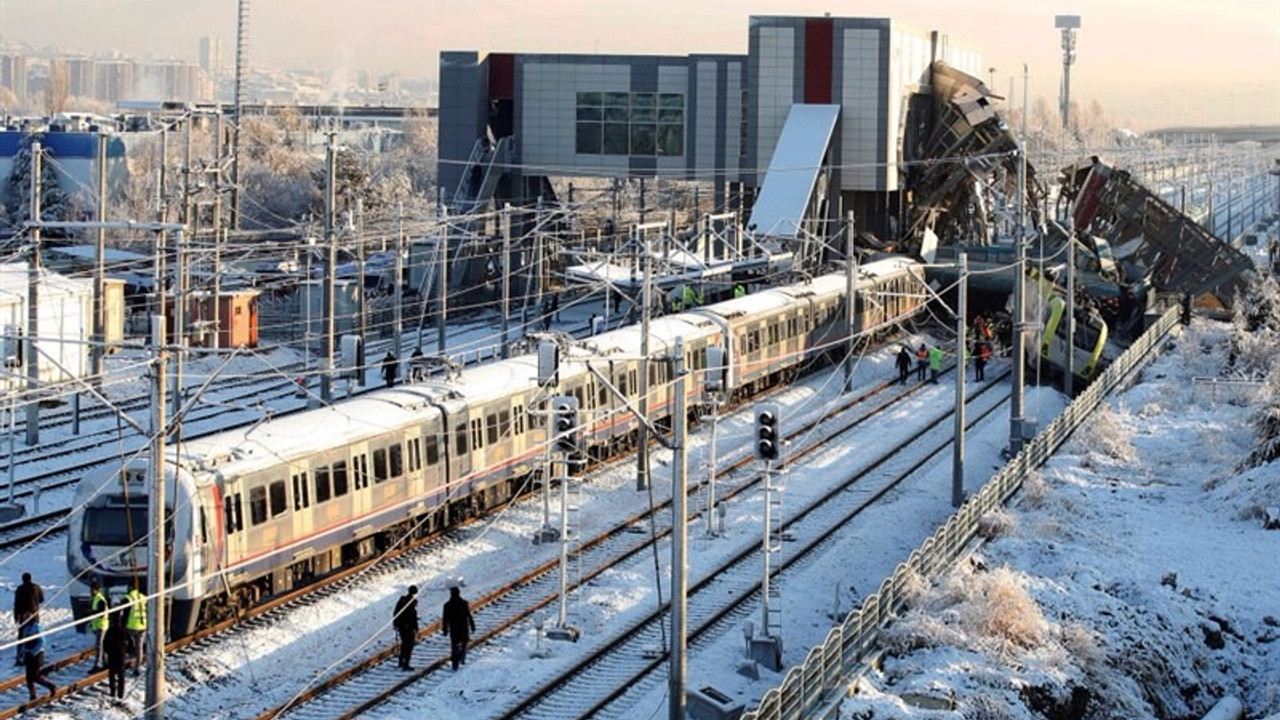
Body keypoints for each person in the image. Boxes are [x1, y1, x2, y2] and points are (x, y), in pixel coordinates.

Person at [19, 619, 55, 700]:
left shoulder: (37, 627)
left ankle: (51, 686)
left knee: (35, 676)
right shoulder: (25, 628)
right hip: (28, 654)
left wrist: (33, 652)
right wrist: (23, 652)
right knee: (29, 677)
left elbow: (41, 642)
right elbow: (24, 642)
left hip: (37, 655)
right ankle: (32, 695)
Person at [442, 586, 475, 671]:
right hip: (463, 626)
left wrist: (445, 629)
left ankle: (455, 664)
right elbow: (468, 615)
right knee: (464, 642)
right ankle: (462, 656)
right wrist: (472, 625)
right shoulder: (464, 603)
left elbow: (445, 619)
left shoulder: (447, 605)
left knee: (454, 645)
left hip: (454, 627)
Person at [13, 572, 43, 666]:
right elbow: (41, 599)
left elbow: (16, 604)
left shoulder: (20, 589)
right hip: (34, 614)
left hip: (23, 615)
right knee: (35, 634)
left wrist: (16, 617)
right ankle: (36, 656)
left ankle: (20, 657)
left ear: (23, 579)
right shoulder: (37, 587)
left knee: (22, 637)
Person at [393, 585, 419, 671]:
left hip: (401, 626)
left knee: (404, 644)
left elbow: (395, 613)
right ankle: (406, 664)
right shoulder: (411, 602)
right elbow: (412, 617)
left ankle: (401, 662)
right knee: (409, 645)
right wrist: (416, 628)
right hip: (409, 627)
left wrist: (396, 624)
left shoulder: (401, 600)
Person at [103, 610, 128, 699]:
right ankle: (121, 694)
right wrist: (126, 651)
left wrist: (108, 651)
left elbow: (104, 643)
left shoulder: (110, 631)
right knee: (121, 675)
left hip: (112, 655)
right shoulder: (123, 631)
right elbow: (130, 644)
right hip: (121, 655)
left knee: (112, 675)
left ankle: (112, 692)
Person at [124, 581, 146, 677]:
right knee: (139, 647)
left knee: (124, 641)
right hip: (142, 625)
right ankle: (138, 668)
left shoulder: (128, 598)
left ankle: (126, 657)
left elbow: (126, 614)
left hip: (132, 626)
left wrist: (122, 625)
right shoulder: (143, 597)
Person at [88, 579, 110, 672]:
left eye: (92, 590)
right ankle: (105, 662)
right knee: (101, 645)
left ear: (97, 590)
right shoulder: (95, 598)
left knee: (99, 645)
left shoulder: (100, 599)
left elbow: (101, 613)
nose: (91, 592)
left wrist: (91, 612)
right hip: (97, 625)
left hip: (102, 625)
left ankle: (97, 664)